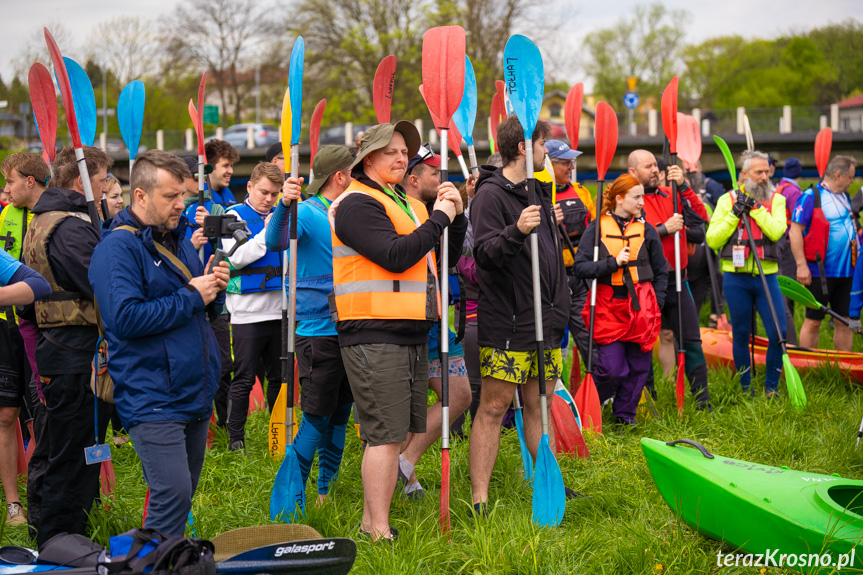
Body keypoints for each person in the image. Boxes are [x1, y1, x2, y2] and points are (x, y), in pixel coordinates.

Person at [329, 121, 461, 541]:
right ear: (368, 159)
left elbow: (440, 256)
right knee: (384, 436)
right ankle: (377, 528)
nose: (402, 158)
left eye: (405, 152)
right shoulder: (356, 203)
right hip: (372, 331)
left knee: (400, 432)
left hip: (409, 329)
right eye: (392, 152)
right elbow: (396, 256)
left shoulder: (408, 203)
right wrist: (439, 217)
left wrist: (452, 218)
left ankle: (375, 520)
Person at [89, 150, 229, 536]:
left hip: (193, 389)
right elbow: (125, 318)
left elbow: (200, 311)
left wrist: (214, 290)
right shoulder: (117, 248)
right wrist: (191, 295)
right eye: (171, 197)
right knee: (172, 493)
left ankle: (167, 559)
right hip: (151, 393)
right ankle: (149, 562)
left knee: (182, 497)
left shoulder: (179, 238)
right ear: (140, 195)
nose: (181, 205)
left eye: (182, 195)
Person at [468, 115, 575, 517]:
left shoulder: (539, 191)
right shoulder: (490, 196)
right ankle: (480, 497)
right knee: (494, 407)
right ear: (522, 149)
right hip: (508, 323)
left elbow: (551, 260)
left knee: (539, 405)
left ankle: (549, 483)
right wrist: (515, 230)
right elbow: (483, 257)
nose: (549, 151)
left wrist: (560, 307)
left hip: (545, 324)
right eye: (544, 144)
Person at [22, 145, 113, 546]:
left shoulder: (45, 218)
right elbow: (102, 285)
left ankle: (71, 532)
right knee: (72, 452)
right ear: (82, 182)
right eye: (103, 179)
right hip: (74, 353)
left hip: (63, 349)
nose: (108, 186)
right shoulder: (71, 227)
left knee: (75, 449)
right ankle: (59, 538)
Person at [266, 145, 355, 507]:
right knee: (317, 419)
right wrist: (285, 205)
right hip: (317, 334)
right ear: (340, 176)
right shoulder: (307, 212)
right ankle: (293, 493)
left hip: (349, 330)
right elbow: (274, 241)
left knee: (340, 417)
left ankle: (323, 491)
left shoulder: (344, 213)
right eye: (354, 172)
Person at [397, 144, 470, 499]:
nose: (441, 179)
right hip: (405, 321)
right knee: (402, 411)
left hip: (437, 319)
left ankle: (405, 461)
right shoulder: (398, 209)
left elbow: (448, 259)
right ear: (413, 179)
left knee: (460, 394)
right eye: (434, 174)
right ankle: (404, 478)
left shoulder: (434, 209)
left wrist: (457, 216)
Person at [573, 174, 667, 425]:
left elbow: (661, 271)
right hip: (608, 307)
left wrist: (657, 302)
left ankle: (624, 417)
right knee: (611, 369)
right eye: (636, 197)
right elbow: (580, 268)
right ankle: (593, 403)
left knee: (638, 369)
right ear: (619, 198)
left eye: (642, 197)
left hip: (642, 308)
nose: (642, 202)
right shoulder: (597, 229)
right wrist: (612, 263)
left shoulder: (646, 230)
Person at [629, 149, 711, 409]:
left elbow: (701, 218)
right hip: (648, 282)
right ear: (633, 172)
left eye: (656, 165)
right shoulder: (630, 199)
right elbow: (634, 237)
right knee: (644, 343)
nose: (654, 170)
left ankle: (702, 402)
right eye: (647, 166)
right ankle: (647, 402)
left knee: (691, 340)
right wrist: (665, 229)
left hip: (678, 279)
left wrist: (684, 186)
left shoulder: (672, 194)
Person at [706, 151, 787, 397]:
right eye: (758, 172)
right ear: (744, 175)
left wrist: (754, 209)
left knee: (778, 332)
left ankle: (771, 387)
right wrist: (734, 213)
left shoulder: (777, 200)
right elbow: (712, 239)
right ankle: (745, 387)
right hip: (736, 277)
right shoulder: (726, 200)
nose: (764, 177)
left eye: (767, 171)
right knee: (741, 332)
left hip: (767, 276)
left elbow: (775, 232)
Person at [0, 152, 50, 533]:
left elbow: (39, 284)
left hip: (22, 333)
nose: (5, 191)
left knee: (21, 418)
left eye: (9, 182)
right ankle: (14, 502)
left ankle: (26, 501)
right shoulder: (8, 214)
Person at [222, 162, 284, 451]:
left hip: (280, 310)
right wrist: (269, 230)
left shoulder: (284, 215)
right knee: (244, 378)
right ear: (249, 187)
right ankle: (236, 439)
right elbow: (235, 257)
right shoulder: (233, 215)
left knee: (279, 378)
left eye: (274, 194)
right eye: (263, 192)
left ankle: (279, 435)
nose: (269, 199)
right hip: (247, 313)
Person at [181, 157, 232, 426]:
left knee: (223, 364)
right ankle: (194, 422)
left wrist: (211, 229)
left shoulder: (215, 207)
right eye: (193, 175)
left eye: (202, 175)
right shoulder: (173, 211)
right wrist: (191, 243)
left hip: (215, 302)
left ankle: (224, 425)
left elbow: (230, 246)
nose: (199, 180)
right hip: (186, 299)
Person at [790, 155, 858, 352]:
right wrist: (801, 265)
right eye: (850, 177)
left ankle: (844, 368)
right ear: (838, 175)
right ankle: (807, 364)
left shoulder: (845, 196)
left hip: (847, 272)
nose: (852, 181)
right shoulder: (811, 196)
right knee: (813, 321)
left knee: (845, 321)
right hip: (819, 272)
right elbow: (795, 230)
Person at [545, 139, 593, 378]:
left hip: (580, 277)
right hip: (553, 280)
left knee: (587, 335)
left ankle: (599, 389)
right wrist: (549, 223)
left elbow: (595, 231)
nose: (570, 168)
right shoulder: (538, 197)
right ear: (549, 164)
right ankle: (558, 387)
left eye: (571, 162)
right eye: (565, 163)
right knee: (556, 338)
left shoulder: (582, 193)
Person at [776, 158, 803, 345]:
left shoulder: (780, 187)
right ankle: (789, 334)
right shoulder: (793, 191)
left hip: (779, 243)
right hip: (787, 243)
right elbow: (798, 220)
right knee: (787, 287)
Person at [205, 139, 239, 208]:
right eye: (225, 166)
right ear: (210, 168)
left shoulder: (227, 194)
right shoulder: (198, 197)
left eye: (231, 166)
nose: (231, 171)